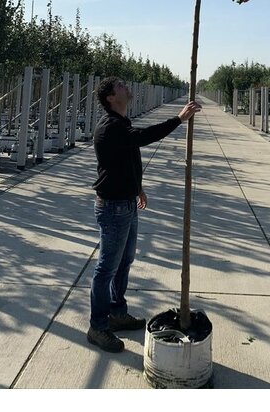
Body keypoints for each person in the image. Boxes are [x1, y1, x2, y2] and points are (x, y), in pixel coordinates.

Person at [87, 76, 201, 353]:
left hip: (125, 202)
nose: (128, 88)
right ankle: (98, 326)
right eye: (122, 87)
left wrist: (138, 188)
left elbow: (129, 156)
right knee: (106, 268)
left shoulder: (120, 123)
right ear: (112, 98)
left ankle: (117, 312)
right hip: (113, 207)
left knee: (125, 261)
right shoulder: (110, 126)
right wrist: (178, 119)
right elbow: (141, 139)